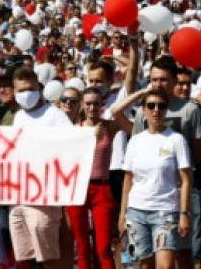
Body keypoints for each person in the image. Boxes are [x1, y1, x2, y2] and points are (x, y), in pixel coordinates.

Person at [116, 87, 192, 269]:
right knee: (144, 264)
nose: (156, 110)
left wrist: (184, 214)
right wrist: (122, 215)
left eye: (161, 106)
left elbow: (186, 179)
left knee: (165, 266)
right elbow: (128, 181)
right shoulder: (135, 141)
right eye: (151, 105)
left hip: (166, 211)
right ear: (143, 109)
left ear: (166, 109)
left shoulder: (176, 140)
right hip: (136, 210)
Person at [8, 66, 73, 269]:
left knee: (49, 255)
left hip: (45, 197)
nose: (25, 94)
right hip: (19, 197)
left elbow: (72, 145)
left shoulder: (55, 116)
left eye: (30, 88)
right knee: (25, 256)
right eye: (20, 90)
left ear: (39, 88)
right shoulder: (18, 117)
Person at [66, 86, 133, 269]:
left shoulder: (108, 126)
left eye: (96, 104)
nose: (92, 108)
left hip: (101, 187)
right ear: (81, 105)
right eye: (88, 104)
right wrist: (87, 137)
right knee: (82, 247)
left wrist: (141, 93)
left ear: (102, 105)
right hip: (79, 188)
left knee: (103, 247)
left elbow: (119, 108)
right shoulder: (74, 130)